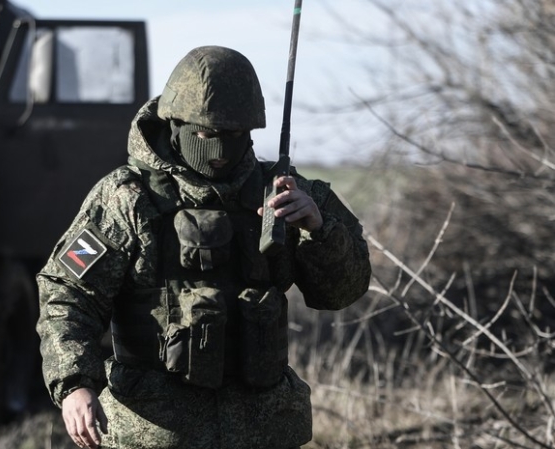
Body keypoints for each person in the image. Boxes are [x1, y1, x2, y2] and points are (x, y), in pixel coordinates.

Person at [36, 45, 371, 449]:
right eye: (206, 135)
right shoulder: (126, 199)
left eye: (234, 135)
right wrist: (74, 383)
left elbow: (343, 292)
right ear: (175, 124)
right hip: (154, 431)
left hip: (264, 430)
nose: (220, 151)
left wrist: (319, 230)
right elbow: (67, 294)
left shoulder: (287, 194)